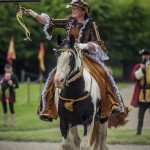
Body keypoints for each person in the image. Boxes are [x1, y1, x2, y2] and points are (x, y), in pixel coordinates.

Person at [27, 0, 129, 127]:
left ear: (83, 11)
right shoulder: (69, 21)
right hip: (70, 55)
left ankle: (113, 104)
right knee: (54, 76)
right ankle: (47, 108)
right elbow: (50, 22)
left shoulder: (91, 24)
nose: (73, 10)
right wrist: (34, 15)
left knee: (103, 72)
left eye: (75, 8)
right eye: (73, 8)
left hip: (86, 56)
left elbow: (98, 44)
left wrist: (84, 45)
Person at [131, 49, 150, 135]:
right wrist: (142, 69)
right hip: (142, 94)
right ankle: (139, 132)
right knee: (140, 115)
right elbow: (134, 77)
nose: (145, 56)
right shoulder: (138, 66)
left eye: (147, 55)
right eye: (143, 55)